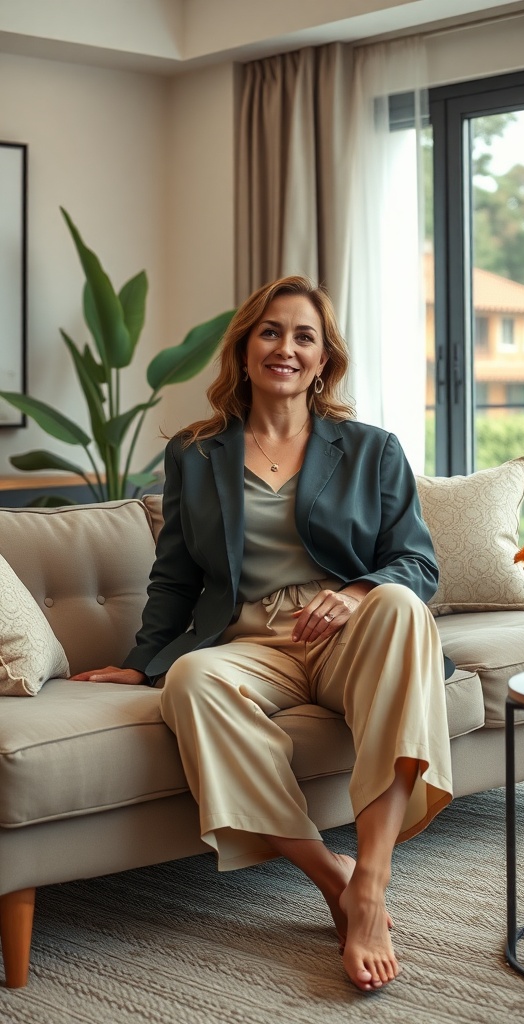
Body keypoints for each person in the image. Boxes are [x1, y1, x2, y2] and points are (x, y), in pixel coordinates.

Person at [73, 275, 453, 992]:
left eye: (304, 336)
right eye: (270, 332)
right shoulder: (196, 453)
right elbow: (175, 574)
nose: (286, 347)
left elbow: (417, 562)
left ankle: (372, 881)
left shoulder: (372, 449)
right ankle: (331, 877)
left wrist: (357, 593)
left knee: (402, 606)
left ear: (323, 360)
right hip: (249, 641)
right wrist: (142, 660)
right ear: (245, 349)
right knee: (189, 680)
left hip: (349, 635)